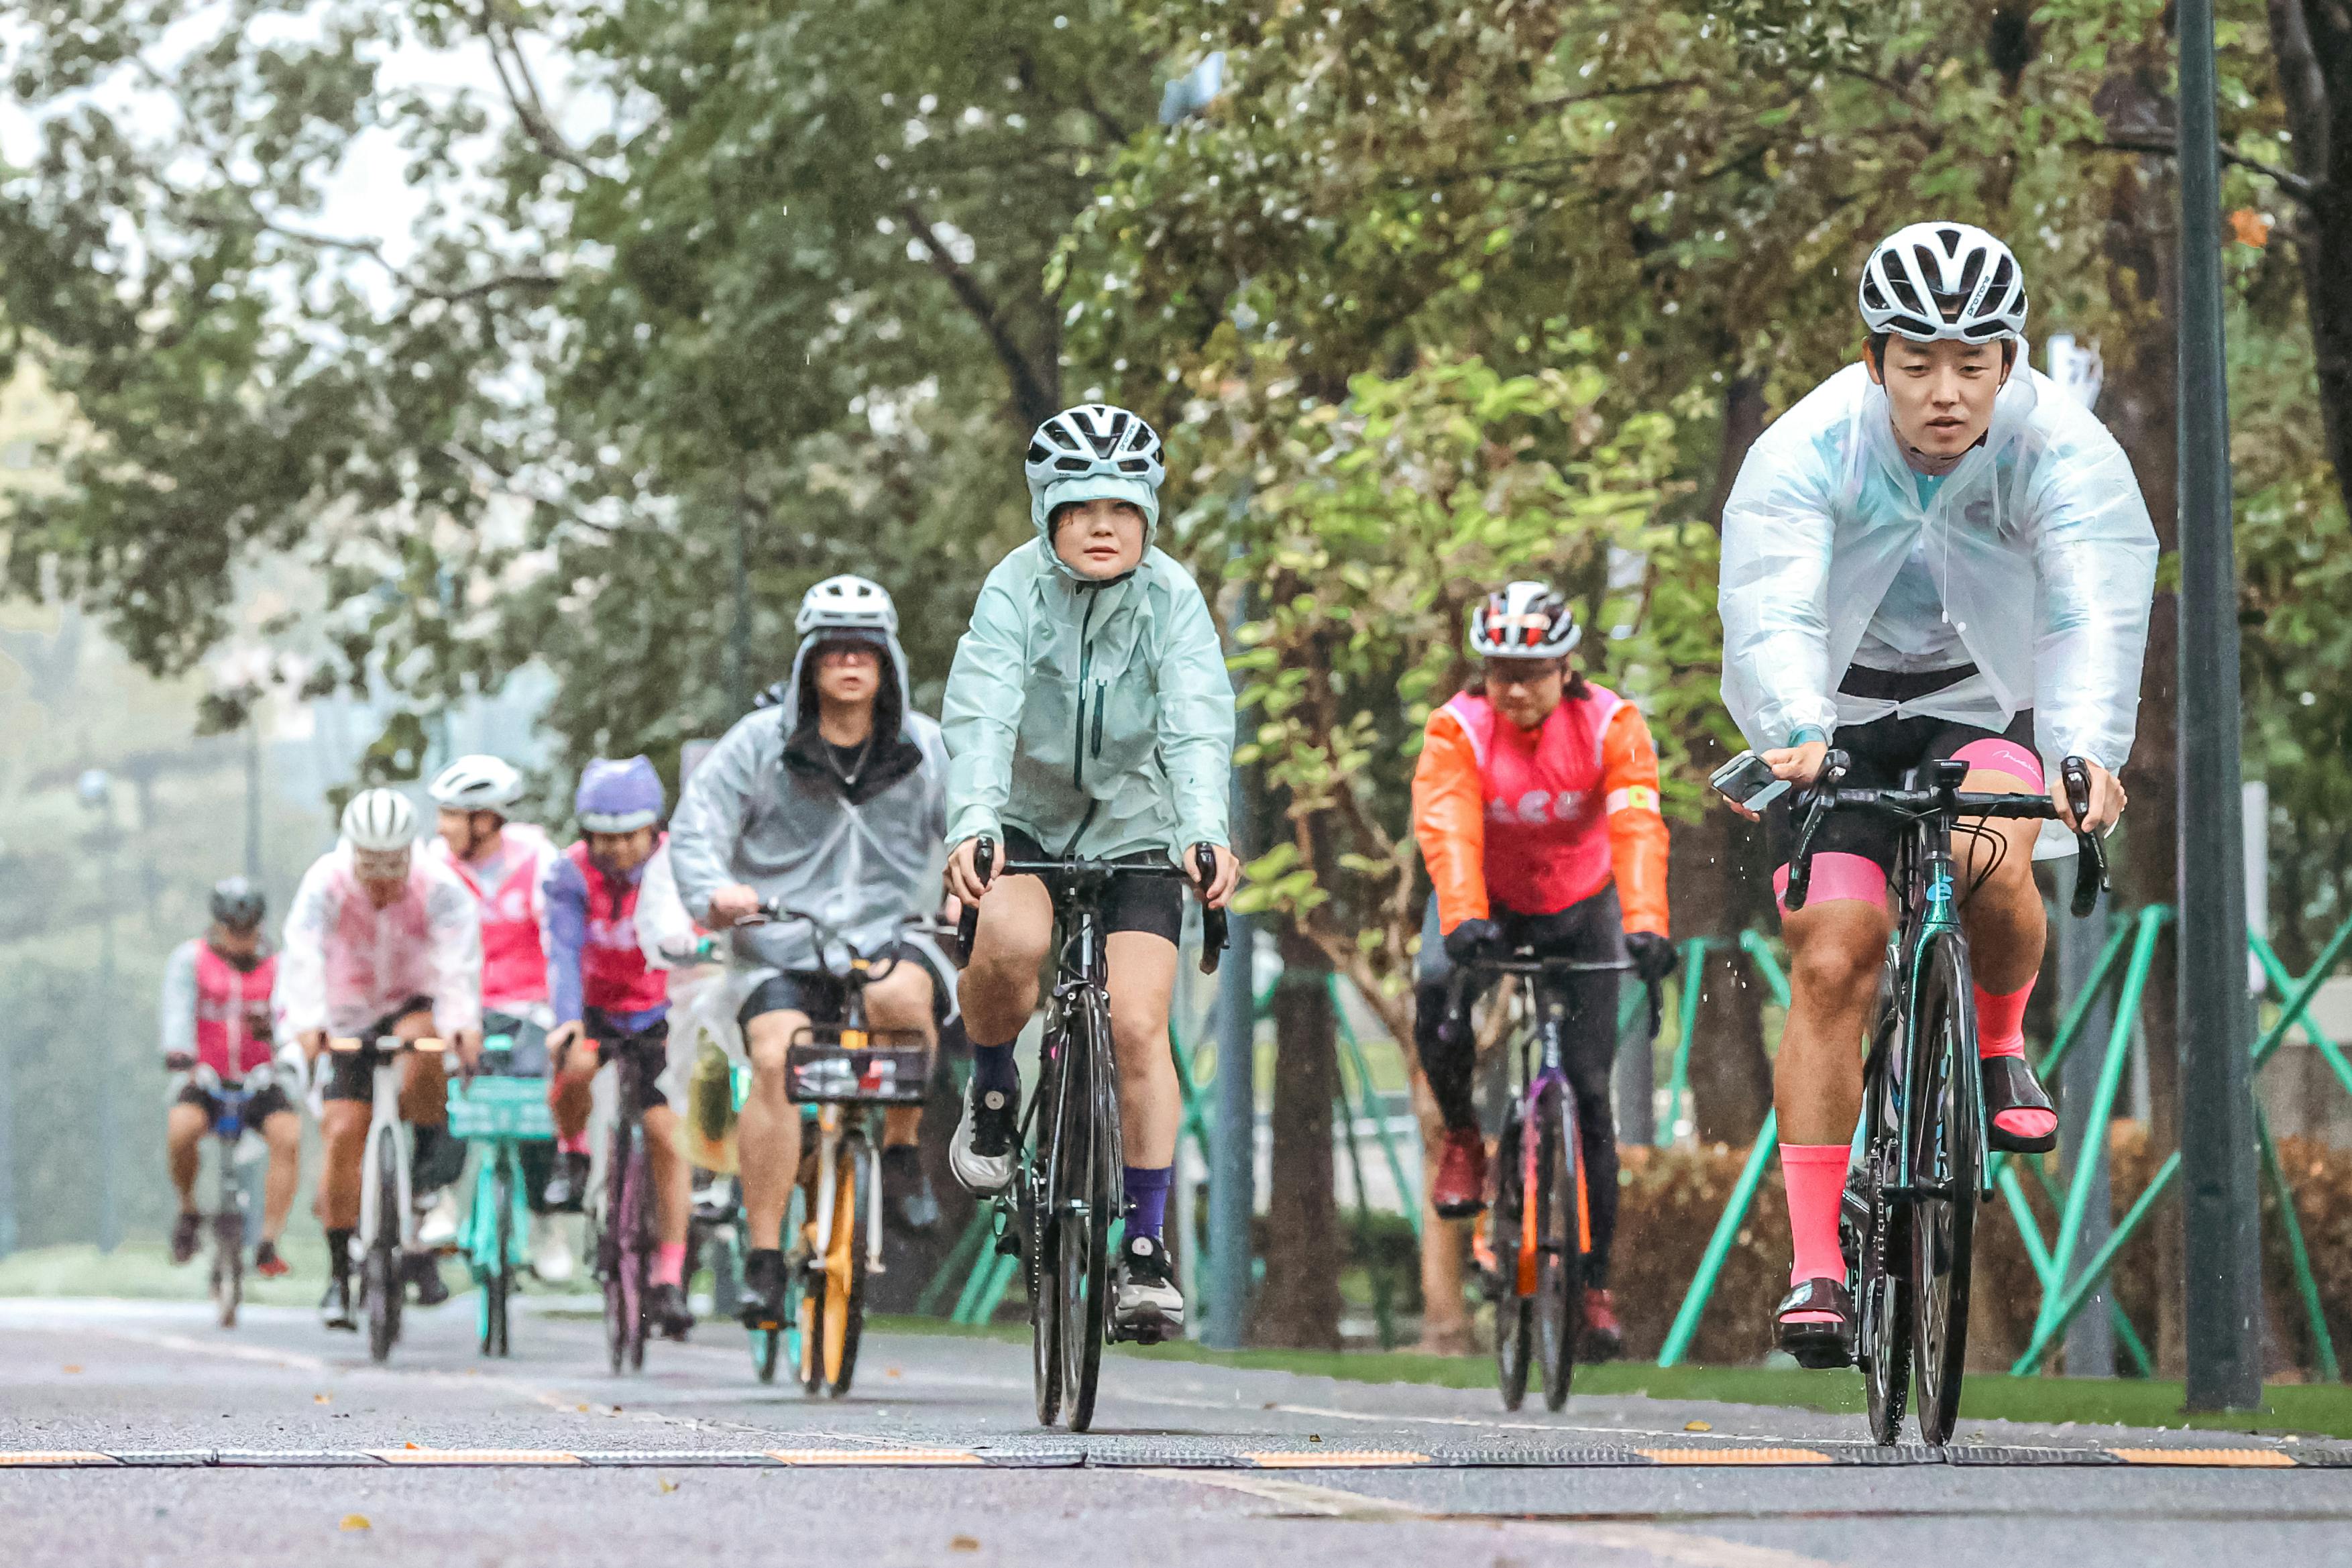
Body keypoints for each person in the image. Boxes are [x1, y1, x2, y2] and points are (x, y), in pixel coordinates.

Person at [1718, 221, 2156, 1366]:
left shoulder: (2058, 449)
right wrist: (1789, 730)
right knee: (1830, 953)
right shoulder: (1807, 446)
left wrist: (2086, 749)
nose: (1946, 391)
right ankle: (1818, 1262)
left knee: (1987, 852)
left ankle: (2000, 1038)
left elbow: (2087, 606)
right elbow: (1770, 603)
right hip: (1839, 717)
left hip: (1987, 701)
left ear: (2011, 363)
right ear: (1874, 363)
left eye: (1973, 362)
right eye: (1917, 361)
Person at [940, 402, 1239, 1341]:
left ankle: (1143, 1254)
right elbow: (982, 707)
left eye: (1120, 505)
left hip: (1139, 831)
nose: (1101, 524)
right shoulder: (1011, 589)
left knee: (1141, 1024)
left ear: (1147, 512)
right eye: (1077, 507)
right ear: (1046, 515)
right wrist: (974, 821)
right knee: (1014, 942)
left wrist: (1203, 830)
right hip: (1023, 822)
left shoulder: (1171, 597)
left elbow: (1196, 715)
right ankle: (991, 1094)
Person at [669, 575, 952, 1335]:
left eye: (866, 649)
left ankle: (897, 1152)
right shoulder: (758, 744)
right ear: (808, 663)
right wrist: (717, 892)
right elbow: (697, 828)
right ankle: (764, 1258)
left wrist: (967, 885)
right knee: (775, 1060)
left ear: (888, 660)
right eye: (834, 650)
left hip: (889, 933)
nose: (850, 664)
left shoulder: (924, 746)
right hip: (781, 942)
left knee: (903, 1002)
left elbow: (971, 823)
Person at [1408, 582, 1674, 1359]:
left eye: (1534, 670)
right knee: (1433, 990)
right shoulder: (1457, 728)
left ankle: (1593, 1285)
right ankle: (1465, 1136)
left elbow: (1636, 826)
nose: (1516, 688)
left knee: (1591, 1097)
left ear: (1568, 668)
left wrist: (1648, 925)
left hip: (1583, 902)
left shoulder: (1612, 724)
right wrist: (1460, 919)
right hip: (1483, 899)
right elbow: (1449, 824)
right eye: (1500, 671)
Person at [279, 789, 484, 1329]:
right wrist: (307, 1022)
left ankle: (422, 1182)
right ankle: (337, 1276)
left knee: (427, 1049)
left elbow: (458, 961)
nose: (382, 880)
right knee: (343, 1131)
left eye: (393, 866)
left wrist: (463, 1023)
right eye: (370, 866)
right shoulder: (326, 881)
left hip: (413, 999)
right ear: (353, 853)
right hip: (345, 1012)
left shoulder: (438, 885)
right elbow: (302, 951)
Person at [543, 757, 695, 1339]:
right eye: (601, 838)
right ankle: (572, 1151)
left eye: (627, 837)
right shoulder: (569, 874)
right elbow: (560, 953)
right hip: (596, 1006)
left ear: (652, 831)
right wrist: (563, 1021)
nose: (615, 850)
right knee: (574, 1064)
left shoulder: (680, 862)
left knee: (666, 1135)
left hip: (663, 1010)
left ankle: (669, 1276)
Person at [425, 754, 571, 1281]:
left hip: (529, 1004)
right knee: (452, 1088)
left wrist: (561, 1014)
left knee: (535, 1100)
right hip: (459, 1006)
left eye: (452, 815)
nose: (441, 827)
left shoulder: (536, 857)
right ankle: (440, 1199)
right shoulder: (434, 866)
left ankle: (545, 1221)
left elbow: (558, 939)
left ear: (485, 820)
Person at [161, 877, 299, 1278]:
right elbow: (176, 1010)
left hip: (261, 1077)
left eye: (248, 930)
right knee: (181, 1130)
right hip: (205, 1076)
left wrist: (284, 1042)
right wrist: (179, 1053)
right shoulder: (191, 960)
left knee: (288, 1137)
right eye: (232, 930)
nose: (240, 939)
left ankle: (269, 1241)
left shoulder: (280, 967)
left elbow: (294, 1013)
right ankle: (188, 1210)